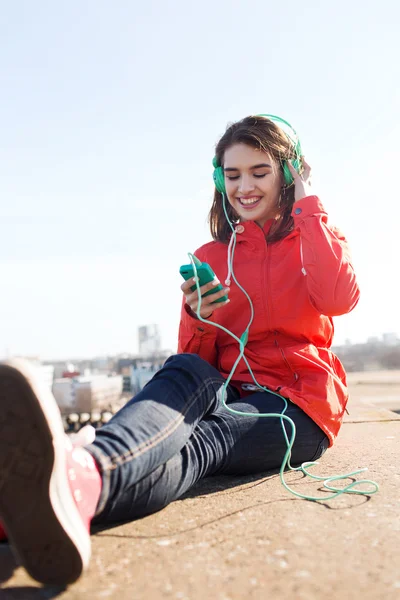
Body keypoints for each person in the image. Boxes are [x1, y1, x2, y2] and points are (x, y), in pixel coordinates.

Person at [0, 115, 359, 585]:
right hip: (228, 388)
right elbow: (195, 364)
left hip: (297, 407)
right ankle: (71, 486)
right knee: (183, 372)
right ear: (219, 180)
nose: (244, 186)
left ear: (288, 173)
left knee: (201, 444)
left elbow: (339, 298)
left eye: (260, 171)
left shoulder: (316, 239)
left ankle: (67, 484)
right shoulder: (211, 257)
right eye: (233, 175)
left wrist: (309, 200)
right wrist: (201, 320)